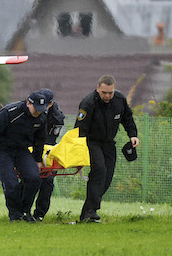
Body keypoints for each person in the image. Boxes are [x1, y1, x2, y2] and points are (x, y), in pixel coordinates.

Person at [75, 75, 139, 223]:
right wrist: (79, 152)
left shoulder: (119, 100)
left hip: (109, 143)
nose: (108, 96)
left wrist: (133, 135)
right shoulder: (88, 103)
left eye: (110, 92)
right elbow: (80, 129)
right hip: (91, 142)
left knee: (107, 177)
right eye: (104, 92)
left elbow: (127, 118)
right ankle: (91, 211)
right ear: (98, 88)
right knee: (99, 170)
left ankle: (87, 212)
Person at [0, 91, 48, 222]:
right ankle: (15, 215)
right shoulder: (10, 112)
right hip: (2, 149)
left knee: (34, 178)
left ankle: (25, 211)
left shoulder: (41, 117)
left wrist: (37, 160)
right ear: (28, 103)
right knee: (11, 183)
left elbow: (40, 140)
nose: (38, 112)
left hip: (22, 150)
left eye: (41, 110)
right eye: (36, 109)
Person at [31, 88, 65, 222]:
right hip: (29, 148)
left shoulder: (57, 118)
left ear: (50, 104)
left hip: (47, 150)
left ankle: (39, 214)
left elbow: (50, 140)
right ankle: (22, 211)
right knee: (29, 181)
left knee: (47, 181)